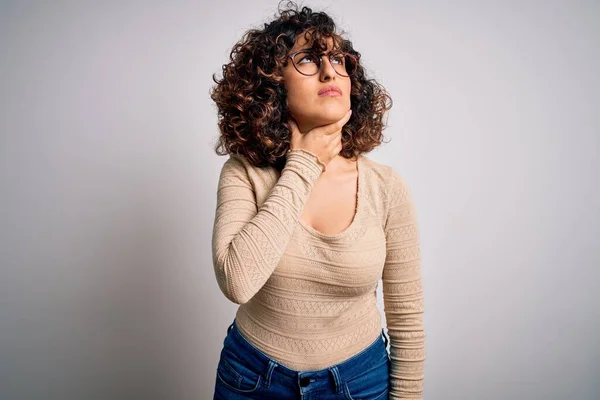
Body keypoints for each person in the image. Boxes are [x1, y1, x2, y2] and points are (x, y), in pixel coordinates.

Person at [209, 2, 425, 398]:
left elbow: (406, 318)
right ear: (272, 82)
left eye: (339, 59)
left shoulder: (386, 186)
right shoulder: (245, 172)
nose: (329, 71)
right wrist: (304, 163)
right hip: (252, 380)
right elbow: (237, 281)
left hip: (359, 382)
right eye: (308, 58)